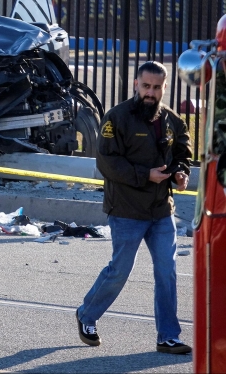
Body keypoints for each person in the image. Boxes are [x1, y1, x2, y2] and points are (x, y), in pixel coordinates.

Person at [76, 61, 193, 355]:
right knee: (120, 270)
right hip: (126, 210)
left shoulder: (172, 120)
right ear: (135, 85)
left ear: (164, 88)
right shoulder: (117, 118)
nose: (150, 93)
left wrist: (181, 172)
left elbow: (183, 150)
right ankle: (86, 315)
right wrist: (146, 175)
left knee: (167, 271)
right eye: (146, 86)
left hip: (161, 211)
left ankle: (168, 336)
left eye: (156, 87)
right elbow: (106, 163)